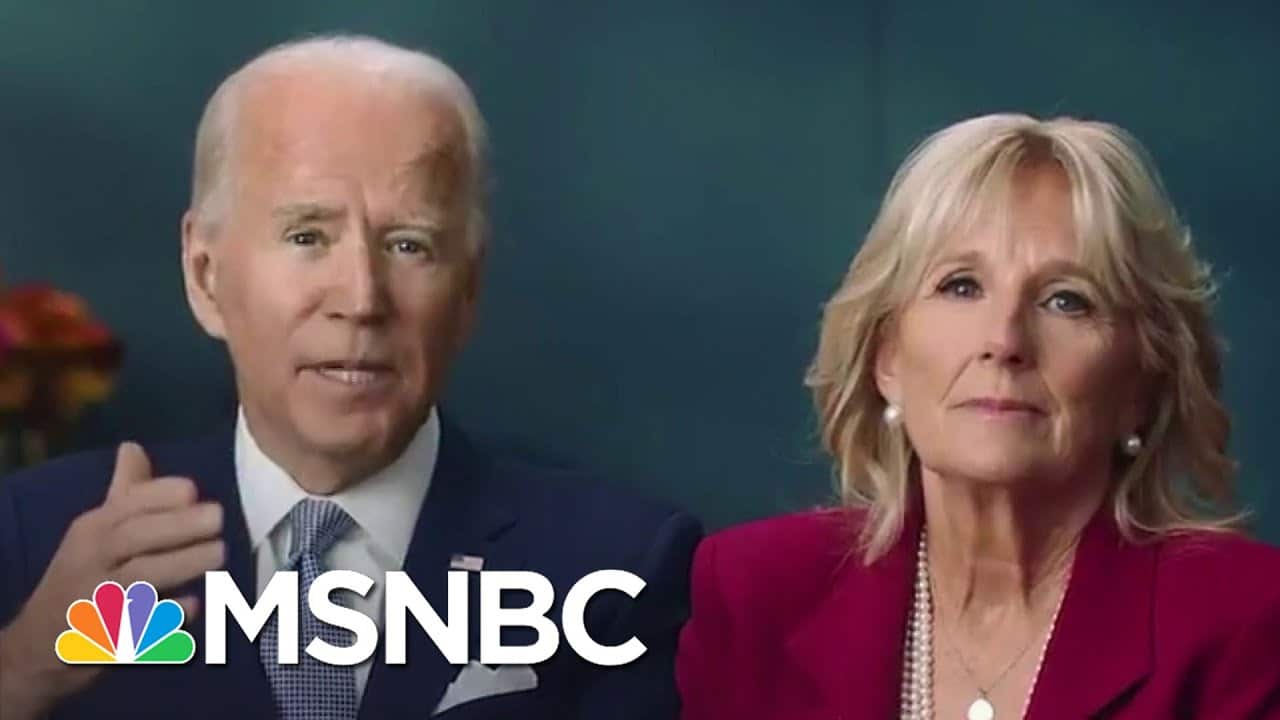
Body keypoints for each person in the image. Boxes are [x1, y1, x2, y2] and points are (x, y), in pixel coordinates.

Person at [0, 35, 700, 720]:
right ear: (205, 275)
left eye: (409, 244)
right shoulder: (36, 540)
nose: (362, 299)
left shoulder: (614, 570)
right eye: (306, 237)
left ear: (468, 288)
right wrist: (23, 672)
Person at [676, 114, 1280, 719]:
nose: (1004, 340)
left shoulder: (1247, 622)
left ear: (1139, 385)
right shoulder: (755, 592)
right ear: (887, 357)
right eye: (961, 287)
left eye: (1066, 300)